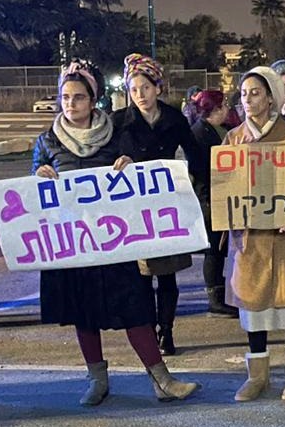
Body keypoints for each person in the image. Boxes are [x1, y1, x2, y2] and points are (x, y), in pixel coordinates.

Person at [32, 60, 198, 405]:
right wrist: (39, 176)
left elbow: (134, 182)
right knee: (84, 314)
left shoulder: (116, 134)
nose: (71, 103)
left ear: (93, 100)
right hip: (76, 242)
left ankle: (161, 379)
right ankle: (97, 380)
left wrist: (129, 167)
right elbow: (34, 192)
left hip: (114, 240)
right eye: (65, 97)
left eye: (79, 97)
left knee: (135, 307)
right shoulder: (47, 142)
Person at [226, 66, 285, 401]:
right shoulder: (233, 139)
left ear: (270, 97)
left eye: (256, 93)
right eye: (244, 93)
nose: (248, 99)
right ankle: (257, 376)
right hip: (250, 240)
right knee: (254, 306)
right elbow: (222, 188)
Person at [112, 54, 196, 356]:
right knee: (142, 276)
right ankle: (149, 329)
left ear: (158, 88)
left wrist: (187, 182)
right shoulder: (118, 122)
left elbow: (194, 155)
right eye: (134, 89)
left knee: (167, 274)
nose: (140, 95)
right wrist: (119, 162)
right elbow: (104, 162)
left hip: (166, 206)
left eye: (146, 88)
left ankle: (166, 330)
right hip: (134, 208)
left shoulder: (174, 119)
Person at [187, 89, 239, 318]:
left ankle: (222, 294)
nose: (227, 108)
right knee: (214, 250)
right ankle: (215, 298)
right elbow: (200, 170)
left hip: (220, 194)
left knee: (220, 248)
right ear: (215, 109)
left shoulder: (220, 129)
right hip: (209, 197)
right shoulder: (200, 134)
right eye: (223, 105)